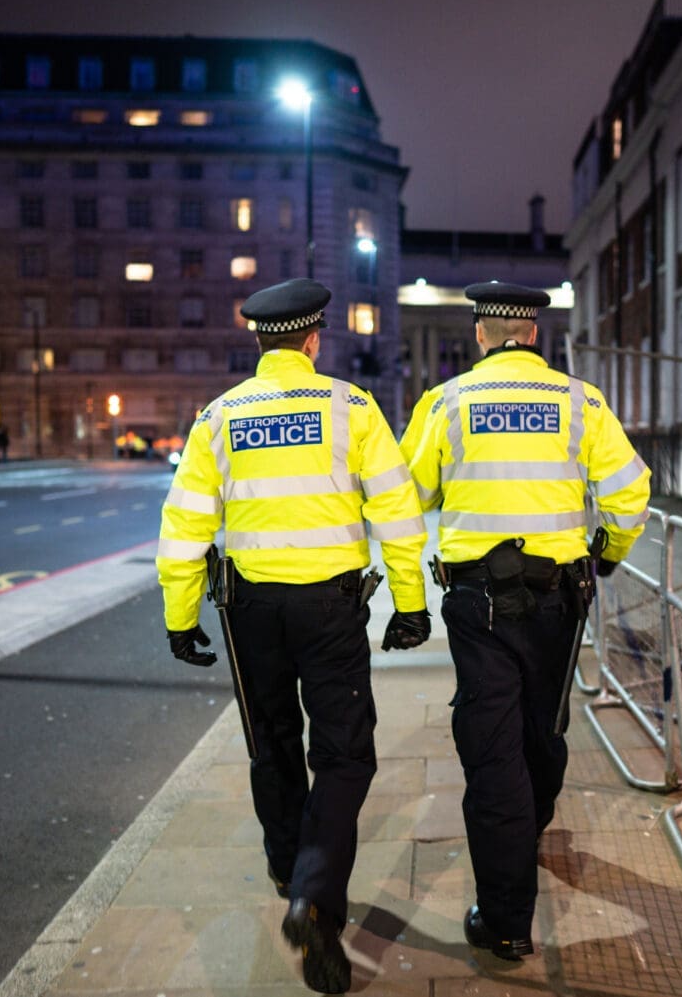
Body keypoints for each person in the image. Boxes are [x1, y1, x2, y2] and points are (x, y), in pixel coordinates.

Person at [156, 278, 430, 994]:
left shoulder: (218, 417)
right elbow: (398, 511)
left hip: (250, 611)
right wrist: (409, 602)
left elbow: (184, 525)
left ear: (258, 340)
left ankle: (289, 868)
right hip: (331, 610)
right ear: (314, 341)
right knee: (343, 754)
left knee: (270, 743)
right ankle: (313, 897)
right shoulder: (351, 407)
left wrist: (180, 615)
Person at [401, 282, 651, 961]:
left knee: (492, 745)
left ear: (480, 335)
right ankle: (529, 826)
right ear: (533, 334)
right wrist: (608, 553)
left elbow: (409, 491)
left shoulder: (446, 402)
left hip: (479, 600)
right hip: (560, 597)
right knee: (542, 728)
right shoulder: (581, 401)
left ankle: (508, 919)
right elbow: (631, 490)